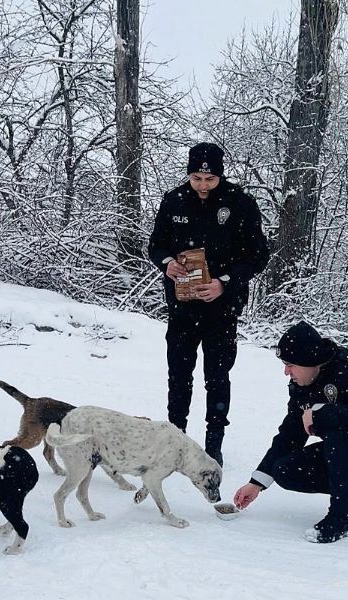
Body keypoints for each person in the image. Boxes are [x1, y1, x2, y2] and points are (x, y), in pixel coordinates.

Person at [233, 321, 348, 543]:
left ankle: (344, 518)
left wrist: (321, 414)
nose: (286, 372)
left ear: (309, 361)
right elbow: (290, 434)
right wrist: (257, 482)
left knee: (338, 431)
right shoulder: (302, 384)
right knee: (285, 470)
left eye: (290, 364)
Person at [148, 142, 269, 466]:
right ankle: (175, 441)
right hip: (182, 308)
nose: (202, 185)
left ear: (219, 176)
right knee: (179, 375)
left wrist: (224, 283)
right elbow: (156, 245)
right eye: (197, 178)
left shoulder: (239, 203)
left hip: (222, 309)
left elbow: (258, 256)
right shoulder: (174, 200)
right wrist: (167, 262)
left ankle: (213, 445)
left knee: (217, 377)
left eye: (209, 179)